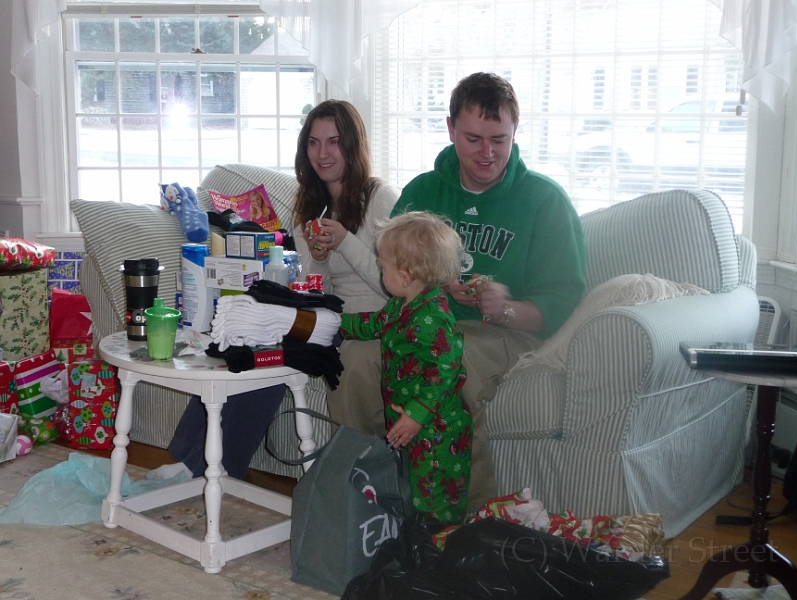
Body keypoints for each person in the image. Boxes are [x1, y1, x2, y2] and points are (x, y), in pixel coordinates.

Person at [326, 73, 587, 511]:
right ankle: (360, 499)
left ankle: (465, 518)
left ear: (515, 132)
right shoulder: (423, 192)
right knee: (352, 361)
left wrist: (505, 308)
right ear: (450, 129)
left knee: (448, 368)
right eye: (473, 139)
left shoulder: (545, 201)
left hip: (507, 334)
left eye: (499, 140)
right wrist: (438, 281)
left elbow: (563, 303)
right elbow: (396, 271)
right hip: (424, 323)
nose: (487, 153)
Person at [147, 100, 399, 481]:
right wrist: (318, 258)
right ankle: (188, 459)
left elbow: (391, 284)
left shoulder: (381, 197)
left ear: (353, 144)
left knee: (277, 348)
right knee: (244, 336)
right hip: (325, 318)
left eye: (333, 142)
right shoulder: (310, 205)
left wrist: (344, 241)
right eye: (313, 142)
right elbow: (316, 290)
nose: (323, 153)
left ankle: (216, 468)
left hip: (369, 320)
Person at [339, 211, 472, 522]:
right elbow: (375, 323)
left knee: (434, 497)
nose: (380, 271)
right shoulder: (402, 304)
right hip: (411, 424)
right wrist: (335, 322)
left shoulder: (433, 317)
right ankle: (413, 535)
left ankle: (437, 542)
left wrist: (416, 414)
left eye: (383, 267)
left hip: (435, 430)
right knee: (410, 486)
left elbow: (443, 372)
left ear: (405, 275)